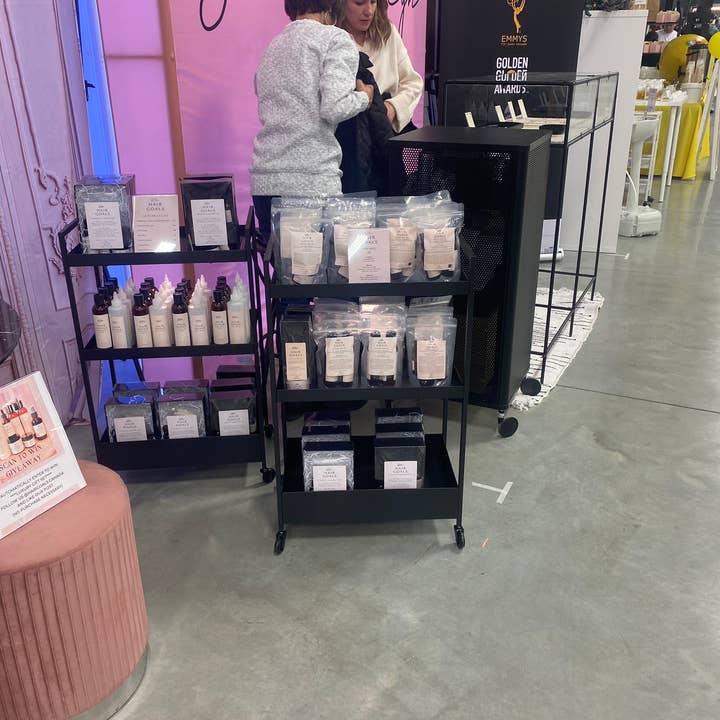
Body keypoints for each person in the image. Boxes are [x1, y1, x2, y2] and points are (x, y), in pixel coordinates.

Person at [250, 0, 374, 236]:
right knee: (320, 259)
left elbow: (262, 93)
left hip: (265, 181)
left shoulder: (274, 45)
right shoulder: (335, 39)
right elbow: (334, 107)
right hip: (310, 181)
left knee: (278, 259)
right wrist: (364, 98)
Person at [337, 0, 423, 134]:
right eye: (359, 3)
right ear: (340, 3)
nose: (369, 11)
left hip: (387, 130)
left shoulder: (387, 32)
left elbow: (413, 83)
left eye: (373, 2)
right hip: (348, 134)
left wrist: (392, 108)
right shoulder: (330, 40)